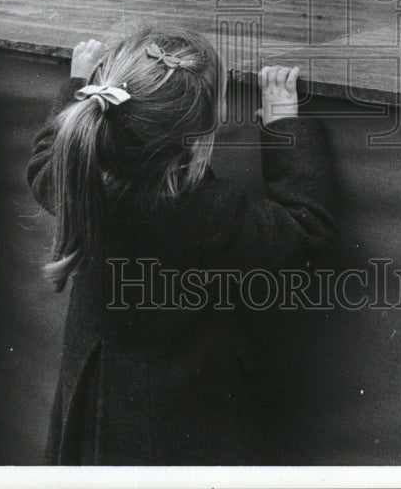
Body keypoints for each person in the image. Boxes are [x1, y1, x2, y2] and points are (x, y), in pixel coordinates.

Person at [27, 25, 336, 464]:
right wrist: (284, 125)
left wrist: (75, 89)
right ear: (207, 126)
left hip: (100, 398)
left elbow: (46, 157)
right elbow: (308, 226)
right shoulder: (210, 212)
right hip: (184, 417)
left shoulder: (82, 178)